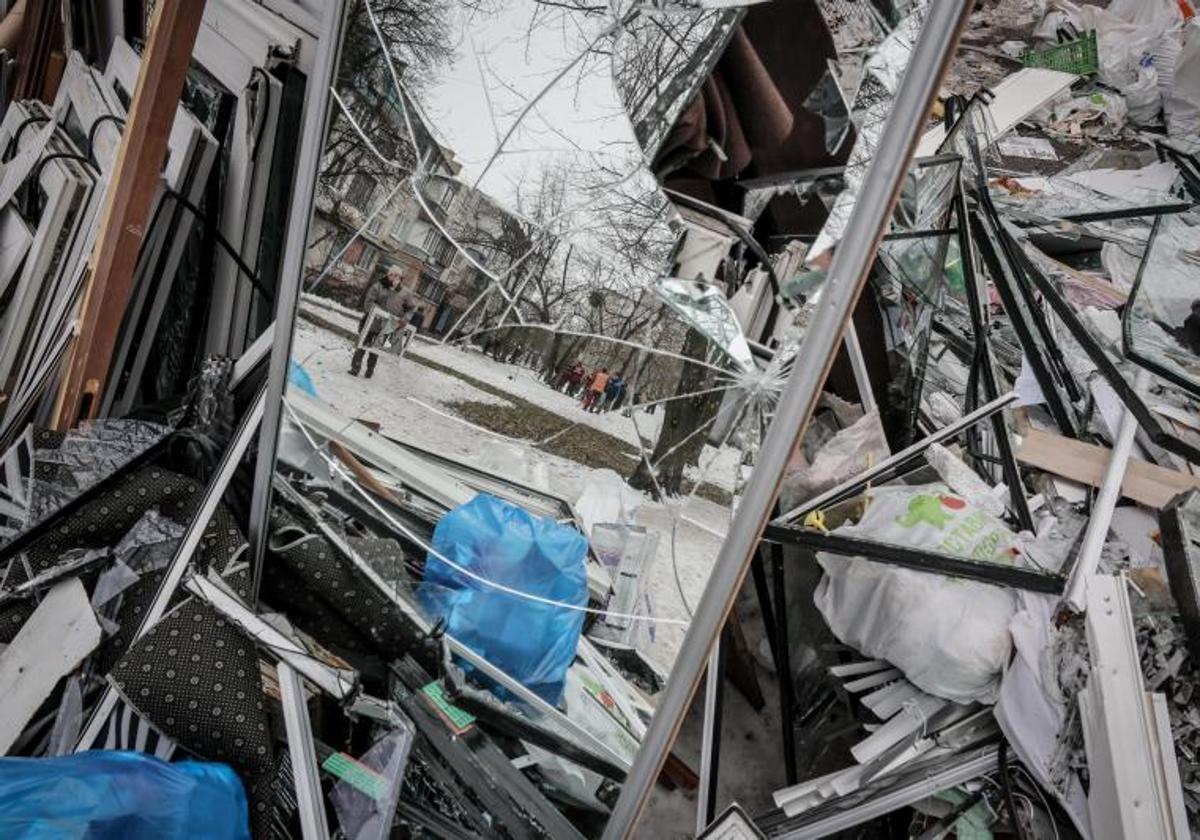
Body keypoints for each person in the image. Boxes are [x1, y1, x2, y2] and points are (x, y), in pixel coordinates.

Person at [350, 266, 401, 378]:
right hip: (371, 322)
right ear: (389, 275)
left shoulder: (399, 292)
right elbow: (369, 302)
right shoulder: (378, 286)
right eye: (394, 275)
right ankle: (355, 367)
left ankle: (370, 371)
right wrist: (379, 313)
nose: (396, 278)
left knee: (376, 349)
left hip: (384, 326)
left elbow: (399, 308)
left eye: (398, 276)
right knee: (363, 344)